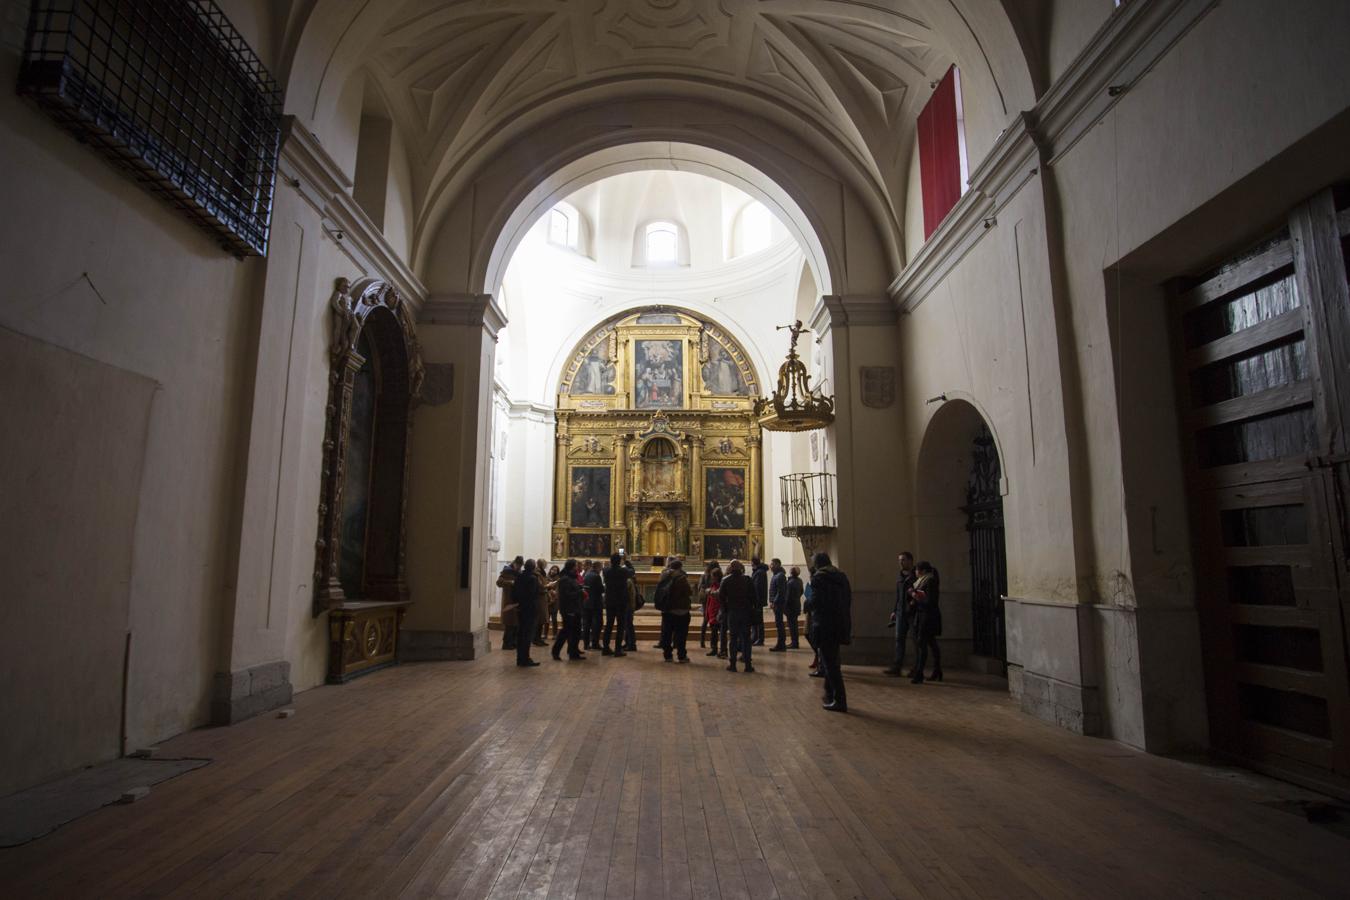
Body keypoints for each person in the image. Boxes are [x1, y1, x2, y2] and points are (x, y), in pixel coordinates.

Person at [809, 552, 852, 711]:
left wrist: (808, 604)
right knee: (832, 661)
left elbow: (816, 601)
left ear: (818, 563)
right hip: (839, 622)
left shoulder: (819, 578)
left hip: (825, 624)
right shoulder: (841, 576)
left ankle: (840, 700)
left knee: (830, 663)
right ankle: (829, 693)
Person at [909, 561, 943, 684]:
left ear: (922, 571)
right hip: (924, 616)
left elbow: (930, 601)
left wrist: (914, 595)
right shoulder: (924, 581)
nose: (915, 573)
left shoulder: (929, 581)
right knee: (931, 643)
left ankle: (919, 673)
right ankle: (937, 670)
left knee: (922, 644)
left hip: (927, 617)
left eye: (917, 570)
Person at [884, 552, 917, 676]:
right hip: (900, 612)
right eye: (899, 560)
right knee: (899, 640)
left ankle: (916, 668)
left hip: (912, 613)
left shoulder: (916, 576)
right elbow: (898, 596)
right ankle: (897, 667)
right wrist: (894, 610)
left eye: (903, 560)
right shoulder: (900, 577)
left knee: (915, 640)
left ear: (910, 561)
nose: (900, 562)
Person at [720, 559, 755, 673]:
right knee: (746, 639)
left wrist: (725, 611)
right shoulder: (747, 579)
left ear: (730, 568)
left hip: (732, 612)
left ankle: (733, 664)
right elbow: (753, 596)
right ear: (740, 568)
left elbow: (721, 598)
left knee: (733, 639)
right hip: (745, 612)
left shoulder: (726, 580)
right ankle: (748, 665)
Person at [551, 559, 585, 661]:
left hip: (575, 608)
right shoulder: (565, 579)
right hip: (568, 609)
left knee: (576, 631)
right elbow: (566, 595)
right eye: (575, 566)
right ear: (571, 567)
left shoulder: (571, 578)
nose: (577, 568)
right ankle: (555, 651)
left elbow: (572, 589)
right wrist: (579, 592)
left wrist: (579, 588)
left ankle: (573, 653)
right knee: (565, 631)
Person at [663, 559, 693, 662]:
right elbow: (689, 592)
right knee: (681, 634)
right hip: (681, 610)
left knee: (667, 633)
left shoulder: (664, 576)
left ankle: (667, 655)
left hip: (667, 609)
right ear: (680, 567)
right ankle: (681, 655)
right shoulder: (682, 578)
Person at [512, 559, 541, 667]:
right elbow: (533, 595)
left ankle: (520, 658)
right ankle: (525, 659)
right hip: (530, 610)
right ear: (533, 567)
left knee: (521, 634)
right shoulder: (533, 578)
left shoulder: (519, 576)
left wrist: (517, 604)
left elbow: (514, 591)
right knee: (527, 635)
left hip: (520, 608)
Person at [602, 553, 630, 657]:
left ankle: (605, 648)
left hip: (610, 601)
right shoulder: (623, 571)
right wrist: (626, 561)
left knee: (609, 625)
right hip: (621, 601)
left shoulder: (606, 571)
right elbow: (632, 571)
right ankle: (618, 649)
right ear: (620, 561)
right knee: (620, 626)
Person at [496, 555, 523, 651]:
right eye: (518, 565)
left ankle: (513, 643)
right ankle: (506, 644)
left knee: (516, 623)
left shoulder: (518, 572)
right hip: (509, 600)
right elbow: (499, 582)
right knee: (509, 624)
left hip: (517, 601)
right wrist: (510, 582)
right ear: (515, 563)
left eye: (521, 566)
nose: (519, 568)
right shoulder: (506, 571)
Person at [583, 559, 605, 650]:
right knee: (597, 624)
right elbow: (601, 590)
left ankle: (586, 644)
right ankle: (595, 643)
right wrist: (604, 587)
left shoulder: (587, 574)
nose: (601, 570)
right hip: (595, 603)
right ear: (597, 567)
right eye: (601, 568)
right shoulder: (596, 576)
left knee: (587, 624)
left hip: (587, 602)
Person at [768, 558, 789, 651]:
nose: (770, 566)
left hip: (778, 604)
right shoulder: (776, 575)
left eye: (772, 564)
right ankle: (780, 644)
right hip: (776, 603)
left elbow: (780, 592)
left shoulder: (780, 576)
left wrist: (774, 602)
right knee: (778, 624)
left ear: (777, 564)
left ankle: (781, 644)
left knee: (779, 624)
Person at [703, 567, 723, 657]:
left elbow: (717, 597)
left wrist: (710, 592)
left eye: (712, 576)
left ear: (716, 576)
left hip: (717, 612)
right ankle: (714, 648)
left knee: (717, 632)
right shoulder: (713, 584)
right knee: (714, 632)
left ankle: (720, 650)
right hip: (712, 611)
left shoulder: (720, 585)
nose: (711, 578)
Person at [749, 556, 769, 645]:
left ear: (754, 563)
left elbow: (757, 588)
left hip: (758, 600)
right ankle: (755, 637)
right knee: (755, 620)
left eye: (751, 562)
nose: (750, 563)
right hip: (757, 600)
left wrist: (754, 600)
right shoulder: (758, 571)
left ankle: (760, 639)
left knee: (759, 620)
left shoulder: (760, 573)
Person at [783, 565, 803, 650]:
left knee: (792, 625)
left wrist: (785, 606)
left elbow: (787, 596)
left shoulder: (790, 583)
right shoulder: (800, 581)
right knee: (794, 625)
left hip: (790, 607)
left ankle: (794, 642)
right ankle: (795, 641)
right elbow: (801, 591)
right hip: (797, 604)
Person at [697, 560, 716, 648]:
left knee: (705, 620)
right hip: (713, 599)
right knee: (713, 621)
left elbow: (699, 586)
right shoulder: (717, 575)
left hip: (706, 599)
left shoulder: (704, 575)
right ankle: (713, 643)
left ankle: (702, 641)